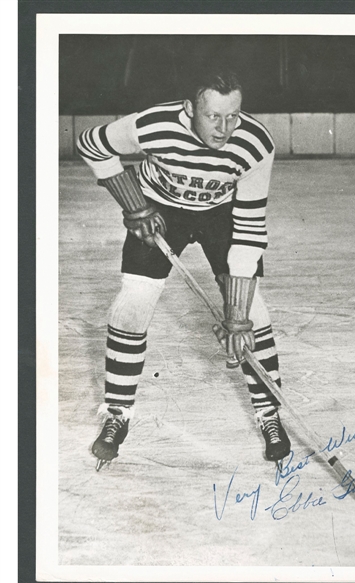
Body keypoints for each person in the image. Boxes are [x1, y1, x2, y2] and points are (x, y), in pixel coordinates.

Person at [76, 68, 291, 470]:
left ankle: (269, 414)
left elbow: (248, 228)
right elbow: (91, 144)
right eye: (214, 117)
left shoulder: (255, 143)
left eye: (233, 116)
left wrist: (237, 314)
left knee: (254, 313)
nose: (225, 128)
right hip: (162, 212)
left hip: (221, 215)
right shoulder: (153, 125)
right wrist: (133, 204)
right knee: (132, 305)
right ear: (190, 108)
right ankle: (117, 414)